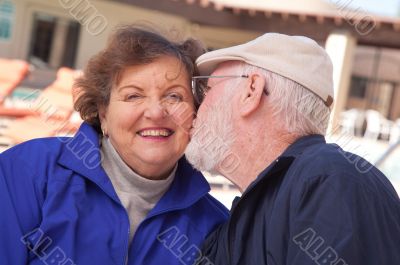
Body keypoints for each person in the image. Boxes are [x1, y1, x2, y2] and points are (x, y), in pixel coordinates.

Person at [0, 25, 228, 265]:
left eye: (174, 96)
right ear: (104, 114)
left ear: (196, 113)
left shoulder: (215, 227)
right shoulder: (27, 172)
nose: (155, 112)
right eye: (134, 96)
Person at [186, 33, 400, 265]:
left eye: (206, 90)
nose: (197, 106)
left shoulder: (329, 180)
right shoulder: (244, 218)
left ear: (252, 90)